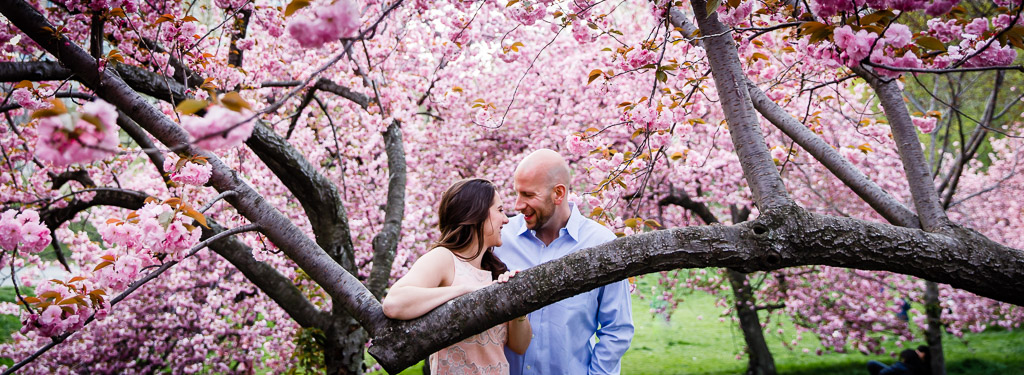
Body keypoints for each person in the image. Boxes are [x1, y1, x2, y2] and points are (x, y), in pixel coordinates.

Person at [494, 149, 634, 375]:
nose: (518, 205)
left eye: (528, 195)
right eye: (517, 193)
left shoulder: (601, 245)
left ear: (558, 193)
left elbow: (617, 329)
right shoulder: (500, 239)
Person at [382, 178, 532, 375]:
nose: (506, 219)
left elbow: (520, 347)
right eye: (500, 210)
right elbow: (394, 303)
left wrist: (517, 309)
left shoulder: (497, 273)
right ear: (477, 213)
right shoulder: (444, 258)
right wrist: (464, 291)